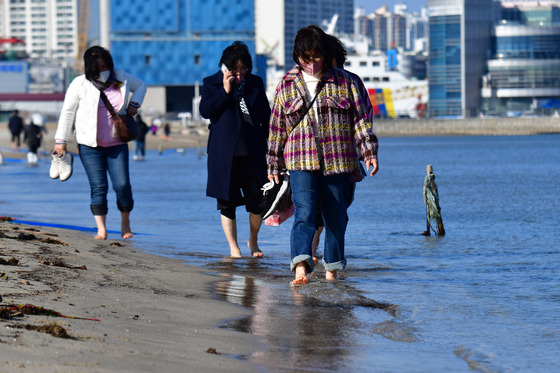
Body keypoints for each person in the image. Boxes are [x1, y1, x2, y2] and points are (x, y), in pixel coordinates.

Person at [267, 25, 379, 285]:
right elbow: (276, 130)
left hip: (338, 159)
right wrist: (273, 163)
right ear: (297, 56)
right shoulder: (286, 86)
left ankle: (332, 271)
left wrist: (369, 152)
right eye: (306, 58)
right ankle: (300, 269)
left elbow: (361, 121)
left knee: (335, 216)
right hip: (299, 160)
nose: (312, 63)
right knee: (304, 213)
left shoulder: (346, 82)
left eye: (317, 57)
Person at [54, 45, 147, 240]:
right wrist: (60, 141)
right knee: (98, 186)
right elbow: (67, 112)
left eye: (106, 65)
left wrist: (134, 104)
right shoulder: (79, 84)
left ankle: (125, 223)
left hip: (117, 143)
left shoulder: (121, 77)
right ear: (90, 67)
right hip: (89, 145)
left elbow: (142, 86)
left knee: (122, 185)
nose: (103, 70)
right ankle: (101, 229)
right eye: (98, 67)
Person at [311, 33, 379, 262]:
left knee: (317, 212)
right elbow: (365, 119)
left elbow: (363, 119)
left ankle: (314, 257)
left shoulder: (349, 81)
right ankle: (321, 260)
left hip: (325, 159)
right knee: (333, 212)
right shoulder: (351, 80)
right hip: (341, 160)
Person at [199, 41, 271, 258]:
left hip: (253, 153)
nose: (239, 74)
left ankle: (253, 240)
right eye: (235, 70)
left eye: (243, 69)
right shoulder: (211, 83)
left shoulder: (255, 83)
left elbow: (266, 117)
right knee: (227, 203)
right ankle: (233, 247)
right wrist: (226, 90)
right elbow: (206, 111)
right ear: (226, 67)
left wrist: (273, 147)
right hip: (224, 155)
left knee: (258, 202)